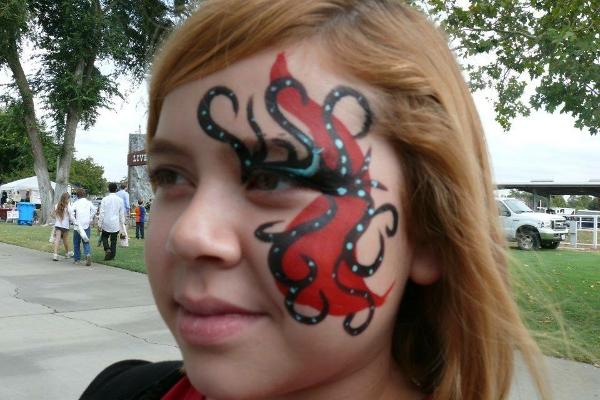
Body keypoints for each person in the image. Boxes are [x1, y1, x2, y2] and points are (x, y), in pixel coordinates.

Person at [80, 1, 549, 399]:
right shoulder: (119, 391)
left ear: (429, 234)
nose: (188, 235)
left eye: (275, 177)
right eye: (171, 176)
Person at [98, 182, 124, 261]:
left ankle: (107, 249)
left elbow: (101, 212)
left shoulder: (105, 199)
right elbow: (121, 213)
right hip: (115, 223)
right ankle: (112, 256)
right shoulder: (120, 200)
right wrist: (122, 224)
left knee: (104, 236)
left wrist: (99, 224)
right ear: (116, 189)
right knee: (114, 240)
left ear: (108, 189)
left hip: (106, 221)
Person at [71, 188, 97, 266]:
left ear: (77, 195)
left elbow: (71, 212)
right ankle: (87, 254)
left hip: (78, 225)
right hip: (86, 224)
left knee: (76, 242)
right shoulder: (88, 202)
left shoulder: (76, 203)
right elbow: (94, 210)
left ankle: (77, 259)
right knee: (86, 241)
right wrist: (90, 218)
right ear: (84, 194)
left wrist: (74, 220)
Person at [51, 192, 73, 261]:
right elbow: (71, 216)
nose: (69, 200)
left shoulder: (57, 205)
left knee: (57, 240)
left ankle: (55, 255)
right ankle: (67, 253)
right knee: (65, 240)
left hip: (58, 225)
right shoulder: (68, 206)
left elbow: (52, 214)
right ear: (67, 199)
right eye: (69, 199)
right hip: (65, 226)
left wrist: (57, 218)